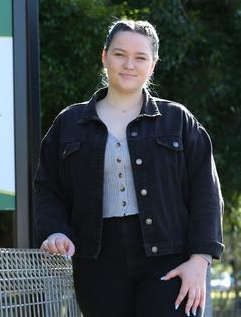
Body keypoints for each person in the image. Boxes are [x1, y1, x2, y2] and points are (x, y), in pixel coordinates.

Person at [33, 19, 224, 317]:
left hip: (169, 259)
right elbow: (47, 188)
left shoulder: (178, 121)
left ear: (153, 65)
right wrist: (55, 230)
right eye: (120, 54)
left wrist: (200, 260)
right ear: (104, 55)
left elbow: (206, 192)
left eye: (140, 58)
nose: (129, 65)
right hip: (96, 261)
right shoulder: (68, 124)